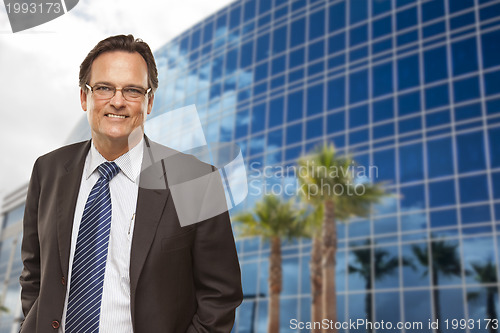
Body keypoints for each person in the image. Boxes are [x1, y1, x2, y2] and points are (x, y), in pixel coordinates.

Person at [19, 34, 243, 333]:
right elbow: (33, 274)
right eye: (103, 88)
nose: (117, 101)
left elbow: (220, 297)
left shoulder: (197, 180)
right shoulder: (47, 169)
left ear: (149, 101)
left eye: (133, 91)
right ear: (84, 96)